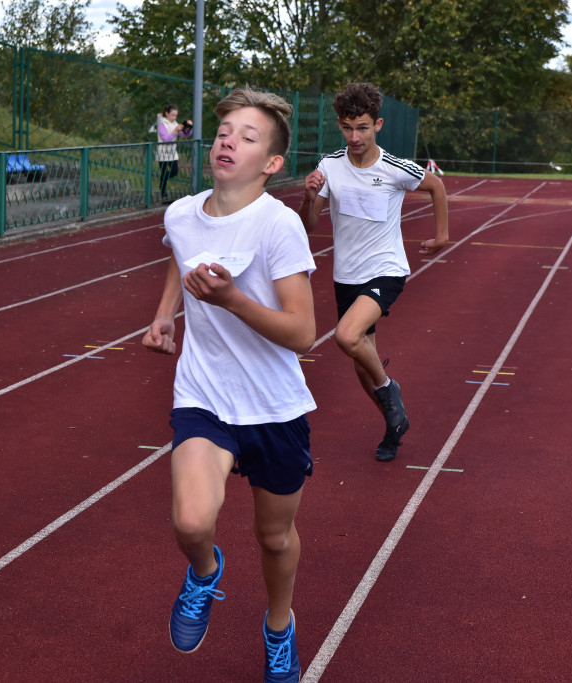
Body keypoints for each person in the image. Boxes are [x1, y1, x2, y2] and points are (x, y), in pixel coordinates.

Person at [142, 87, 316, 683]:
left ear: (272, 164)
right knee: (192, 522)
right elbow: (179, 252)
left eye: (248, 136)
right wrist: (166, 312)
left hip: (274, 405)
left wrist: (233, 300)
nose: (227, 141)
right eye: (224, 132)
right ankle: (204, 572)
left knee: (275, 537)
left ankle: (278, 627)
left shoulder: (280, 225)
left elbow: (303, 333)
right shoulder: (181, 214)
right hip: (204, 394)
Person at [299, 81, 449, 462]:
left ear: (377, 125)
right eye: (347, 127)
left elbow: (436, 187)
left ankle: (390, 389)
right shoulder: (329, 166)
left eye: (362, 127)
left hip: (385, 270)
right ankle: (393, 426)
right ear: (339, 124)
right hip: (346, 276)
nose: (354, 136)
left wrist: (441, 236)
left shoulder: (395, 168)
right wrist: (309, 196)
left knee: (346, 337)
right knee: (362, 365)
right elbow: (310, 224)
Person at [155, 104, 193, 202]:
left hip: (172, 153)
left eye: (176, 115)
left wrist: (189, 127)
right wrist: (175, 130)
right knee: (164, 172)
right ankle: (164, 195)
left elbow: (184, 135)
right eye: (172, 115)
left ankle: (163, 179)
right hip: (163, 154)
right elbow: (166, 139)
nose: (174, 117)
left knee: (175, 171)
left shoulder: (175, 124)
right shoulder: (161, 124)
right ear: (167, 114)